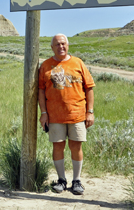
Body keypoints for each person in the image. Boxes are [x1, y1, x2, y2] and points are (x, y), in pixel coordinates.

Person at [38, 34, 95, 195]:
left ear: (68, 45)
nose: (60, 47)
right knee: (58, 146)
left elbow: (89, 88)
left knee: (76, 146)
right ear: (52, 47)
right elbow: (41, 90)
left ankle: (76, 181)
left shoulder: (78, 63)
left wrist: (89, 112)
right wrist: (44, 113)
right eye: (57, 44)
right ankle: (61, 180)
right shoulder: (46, 65)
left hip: (77, 113)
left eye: (63, 44)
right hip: (55, 115)